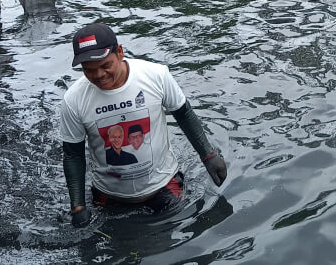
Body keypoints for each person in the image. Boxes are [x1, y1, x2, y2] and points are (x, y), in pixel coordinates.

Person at [59, 22, 227, 225]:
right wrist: (78, 207)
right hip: (108, 195)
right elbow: (73, 154)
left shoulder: (155, 76)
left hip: (163, 186)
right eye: (89, 70)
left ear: (120, 52)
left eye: (105, 66)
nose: (99, 75)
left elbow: (183, 114)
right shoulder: (74, 99)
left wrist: (208, 155)